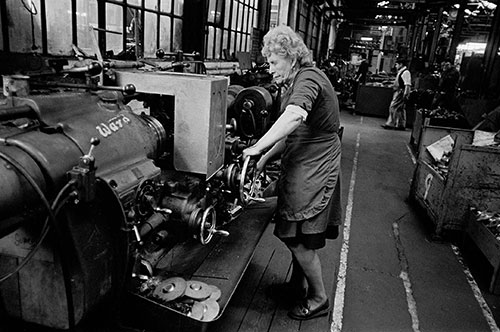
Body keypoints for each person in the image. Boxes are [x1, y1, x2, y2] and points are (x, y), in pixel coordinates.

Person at [242, 25, 342, 321]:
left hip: (315, 165)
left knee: (299, 237)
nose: (270, 69)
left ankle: (319, 298)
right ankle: (296, 286)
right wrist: (264, 157)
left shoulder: (309, 78)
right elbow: (291, 134)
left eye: (274, 62)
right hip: (302, 161)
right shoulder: (297, 80)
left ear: (291, 57)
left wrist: (257, 147)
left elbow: (295, 116)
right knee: (297, 232)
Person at [382, 58, 411, 130]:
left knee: (393, 107)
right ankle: (401, 125)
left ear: (401, 64)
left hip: (400, 92)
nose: (395, 66)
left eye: (397, 64)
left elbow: (407, 84)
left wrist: (406, 94)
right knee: (400, 109)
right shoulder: (401, 71)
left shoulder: (405, 72)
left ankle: (390, 123)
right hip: (399, 92)